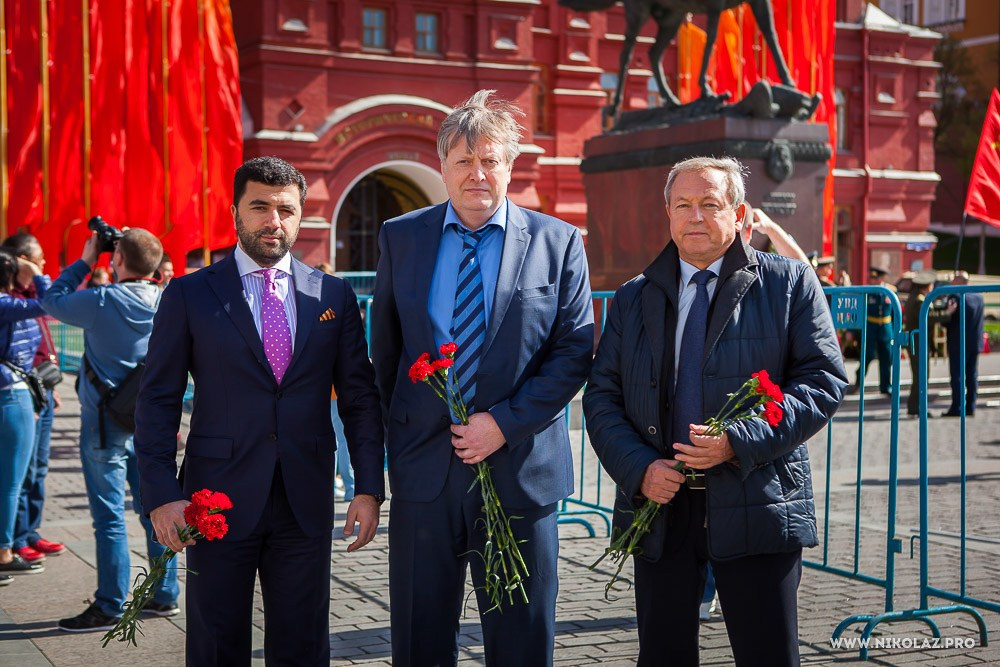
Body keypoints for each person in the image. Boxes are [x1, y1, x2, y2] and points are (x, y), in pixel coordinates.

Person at [583, 156, 847, 666]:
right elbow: (601, 397)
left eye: (710, 203)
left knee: (767, 653)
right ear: (667, 213)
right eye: (683, 204)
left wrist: (737, 441)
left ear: (739, 212)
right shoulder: (633, 298)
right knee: (663, 655)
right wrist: (638, 469)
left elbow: (823, 381)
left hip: (758, 503)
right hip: (661, 512)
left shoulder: (788, 284)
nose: (695, 217)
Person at [372, 90, 594, 666]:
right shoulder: (401, 238)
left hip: (521, 472)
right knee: (421, 641)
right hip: (425, 474)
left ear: (511, 165)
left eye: (490, 159)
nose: (477, 173)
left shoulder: (558, 242)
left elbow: (572, 353)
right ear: (441, 166)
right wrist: (375, 473)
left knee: (521, 640)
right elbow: (386, 357)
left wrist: (505, 424)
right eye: (464, 161)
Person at [134, 156, 385, 665]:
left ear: (300, 215)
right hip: (215, 499)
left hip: (305, 500)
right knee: (216, 641)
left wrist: (368, 488)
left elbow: (359, 398)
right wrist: (161, 495)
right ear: (235, 214)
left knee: (303, 643)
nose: (274, 220)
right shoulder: (189, 293)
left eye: (286, 210)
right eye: (261, 207)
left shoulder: (332, 294)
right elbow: (157, 400)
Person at [42, 228, 180, 632]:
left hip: (104, 426)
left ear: (116, 259)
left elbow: (51, 300)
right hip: (151, 425)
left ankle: (109, 604)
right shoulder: (166, 300)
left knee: (109, 520)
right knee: (154, 510)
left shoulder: (101, 301)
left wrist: (86, 259)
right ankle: (165, 593)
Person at [1, 234, 66, 563]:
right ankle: (11, 540)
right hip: (18, 393)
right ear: (19, 261)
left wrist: (46, 389)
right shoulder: (10, 299)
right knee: (18, 473)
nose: (43, 265)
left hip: (39, 388)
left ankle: (28, 532)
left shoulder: (23, 296)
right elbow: (50, 302)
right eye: (37, 259)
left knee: (37, 468)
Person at [0, 248, 49, 579]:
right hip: (10, 394)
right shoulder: (5, 303)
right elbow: (49, 301)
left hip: (14, 391)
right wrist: (37, 273)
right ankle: (3, 552)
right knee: (11, 481)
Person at [315, 262, 356, 502]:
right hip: (332, 389)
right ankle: (347, 487)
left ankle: (337, 485)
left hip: (327, 388)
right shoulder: (332, 306)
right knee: (340, 440)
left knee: (333, 440)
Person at [943, 271, 985, 417]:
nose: (951, 283)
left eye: (954, 279)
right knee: (972, 375)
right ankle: (971, 405)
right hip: (975, 343)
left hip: (958, 343)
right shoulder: (978, 296)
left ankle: (957, 406)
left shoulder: (956, 296)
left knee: (957, 376)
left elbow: (946, 319)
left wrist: (946, 312)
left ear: (959, 281)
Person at [852, 266, 893, 395]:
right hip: (870, 327)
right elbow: (859, 311)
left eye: (876, 278)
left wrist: (897, 330)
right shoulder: (868, 291)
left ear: (882, 278)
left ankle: (886, 386)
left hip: (885, 328)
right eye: (872, 278)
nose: (873, 280)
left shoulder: (890, 291)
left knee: (886, 357)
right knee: (868, 355)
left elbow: (895, 312)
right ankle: (859, 379)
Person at [903, 272, 936, 416]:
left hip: (917, 343)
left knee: (920, 375)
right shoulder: (919, 301)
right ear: (926, 287)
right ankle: (917, 407)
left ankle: (915, 406)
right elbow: (929, 319)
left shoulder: (917, 298)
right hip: (918, 344)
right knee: (921, 376)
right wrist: (948, 313)